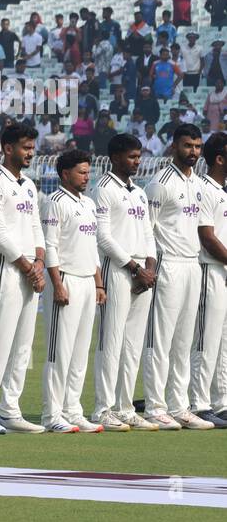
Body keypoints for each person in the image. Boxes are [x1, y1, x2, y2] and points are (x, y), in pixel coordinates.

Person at [0, 122, 46, 434]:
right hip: (8, 268)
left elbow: (36, 227)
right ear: (8, 149)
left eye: (32, 148)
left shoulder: (29, 185)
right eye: (25, 148)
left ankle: (10, 408)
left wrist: (40, 261)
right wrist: (28, 266)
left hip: (31, 269)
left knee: (23, 345)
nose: (30, 153)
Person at [142, 124, 216, 430]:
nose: (194, 152)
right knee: (161, 339)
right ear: (174, 146)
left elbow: (200, 229)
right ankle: (155, 406)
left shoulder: (198, 184)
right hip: (168, 263)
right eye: (188, 146)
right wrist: (149, 266)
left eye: (198, 146)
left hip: (192, 264)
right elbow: (147, 229)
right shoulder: (159, 183)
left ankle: (179, 405)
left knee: (184, 340)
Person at [90, 134, 158, 431]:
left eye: (138, 156)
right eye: (132, 156)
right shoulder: (103, 188)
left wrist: (150, 266)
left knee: (132, 344)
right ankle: (102, 409)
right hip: (118, 269)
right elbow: (102, 237)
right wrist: (133, 267)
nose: (137, 161)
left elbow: (148, 232)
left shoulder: (139, 192)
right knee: (111, 340)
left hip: (142, 270)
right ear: (116, 157)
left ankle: (125, 406)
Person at [39, 150, 105, 433]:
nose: (86, 177)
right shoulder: (54, 202)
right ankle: (51, 414)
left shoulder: (89, 204)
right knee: (59, 351)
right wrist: (57, 283)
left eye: (88, 172)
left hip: (88, 281)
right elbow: (50, 245)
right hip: (65, 278)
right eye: (81, 172)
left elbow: (93, 248)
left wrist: (99, 282)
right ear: (65, 174)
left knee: (80, 351)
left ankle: (72, 409)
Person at [190, 132, 227, 427]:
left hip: (224, 271)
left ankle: (221, 400)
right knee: (206, 338)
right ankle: (199, 402)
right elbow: (206, 236)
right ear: (219, 158)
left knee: (224, 341)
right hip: (210, 269)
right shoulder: (204, 189)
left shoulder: (223, 190)